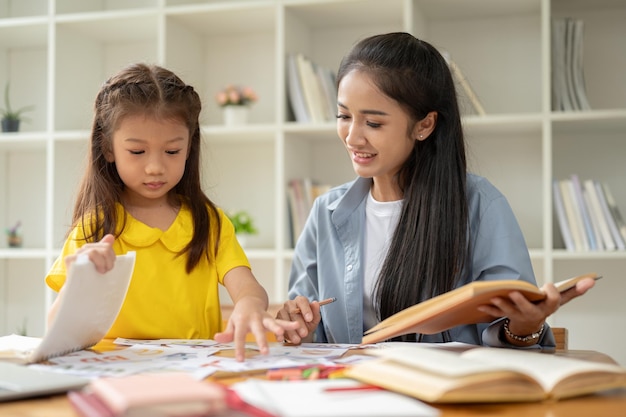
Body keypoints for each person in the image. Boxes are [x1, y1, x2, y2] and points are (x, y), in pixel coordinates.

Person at [276, 32, 595, 348]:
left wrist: (524, 326)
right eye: (344, 116)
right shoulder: (326, 213)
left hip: (447, 394)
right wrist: (296, 324)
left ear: (424, 125)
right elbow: (308, 332)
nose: (352, 137)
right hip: (353, 392)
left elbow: (512, 333)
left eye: (373, 123)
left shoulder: (480, 206)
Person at [45, 63, 298, 361]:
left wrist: (249, 304)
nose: (155, 167)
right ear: (108, 148)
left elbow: (248, 288)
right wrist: (81, 282)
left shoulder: (209, 222)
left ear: (189, 147)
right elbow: (54, 330)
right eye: (137, 152)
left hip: (194, 373)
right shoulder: (95, 228)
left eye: (172, 151)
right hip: (113, 373)